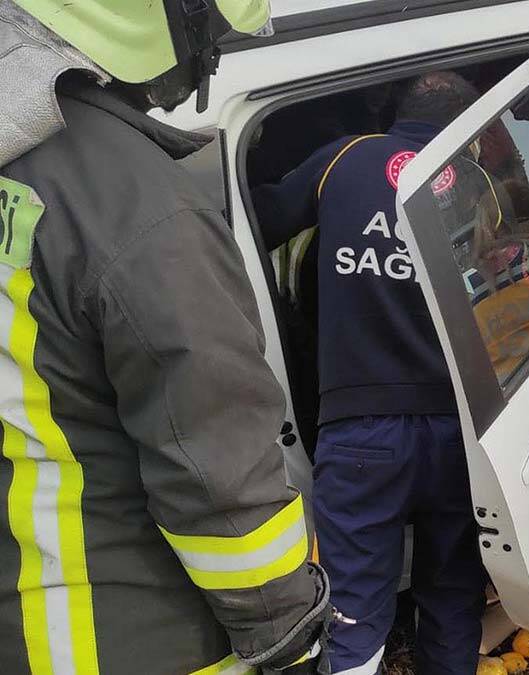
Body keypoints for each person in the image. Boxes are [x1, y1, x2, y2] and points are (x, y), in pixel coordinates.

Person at [0, 2, 331, 674]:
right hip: (119, 638)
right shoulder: (140, 208)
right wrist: (292, 638)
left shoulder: (22, 172)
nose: (212, 52)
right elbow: (221, 482)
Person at [253, 71, 494, 675]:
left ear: (397, 114)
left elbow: (260, 217)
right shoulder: (475, 183)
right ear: (465, 128)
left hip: (360, 428)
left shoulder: (348, 158)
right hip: (458, 431)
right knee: (452, 595)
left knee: (353, 610)